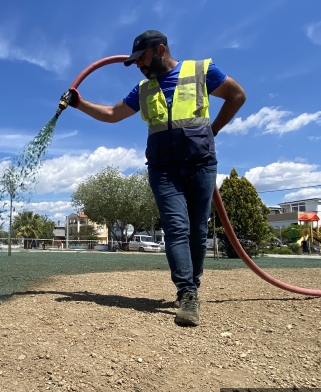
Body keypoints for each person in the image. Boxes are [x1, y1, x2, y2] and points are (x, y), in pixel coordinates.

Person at [62, 30, 246, 326]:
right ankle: (186, 293)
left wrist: (213, 130)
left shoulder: (201, 71)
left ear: (160, 50)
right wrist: (79, 103)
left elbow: (237, 95)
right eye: (136, 61)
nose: (139, 65)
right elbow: (111, 113)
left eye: (142, 58)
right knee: (176, 228)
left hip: (201, 164)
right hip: (163, 169)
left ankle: (192, 286)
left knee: (197, 231)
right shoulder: (143, 89)